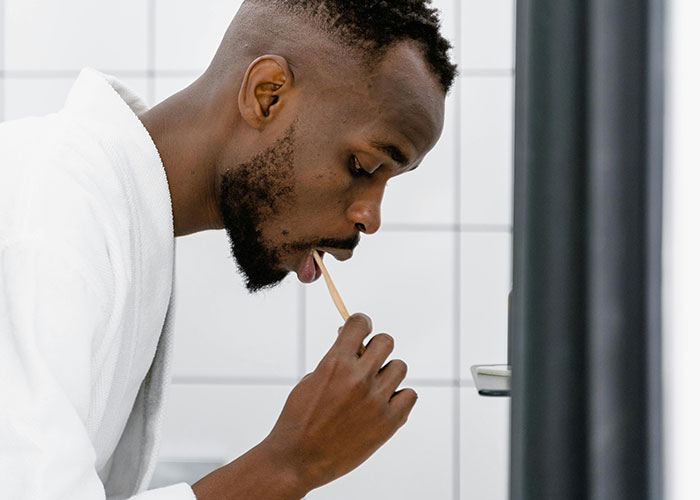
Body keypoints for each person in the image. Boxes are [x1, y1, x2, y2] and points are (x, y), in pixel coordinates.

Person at [0, 0, 456, 498]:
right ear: (267, 95)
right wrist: (288, 465)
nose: (370, 217)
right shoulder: (48, 215)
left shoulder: (109, 214)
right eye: (363, 166)